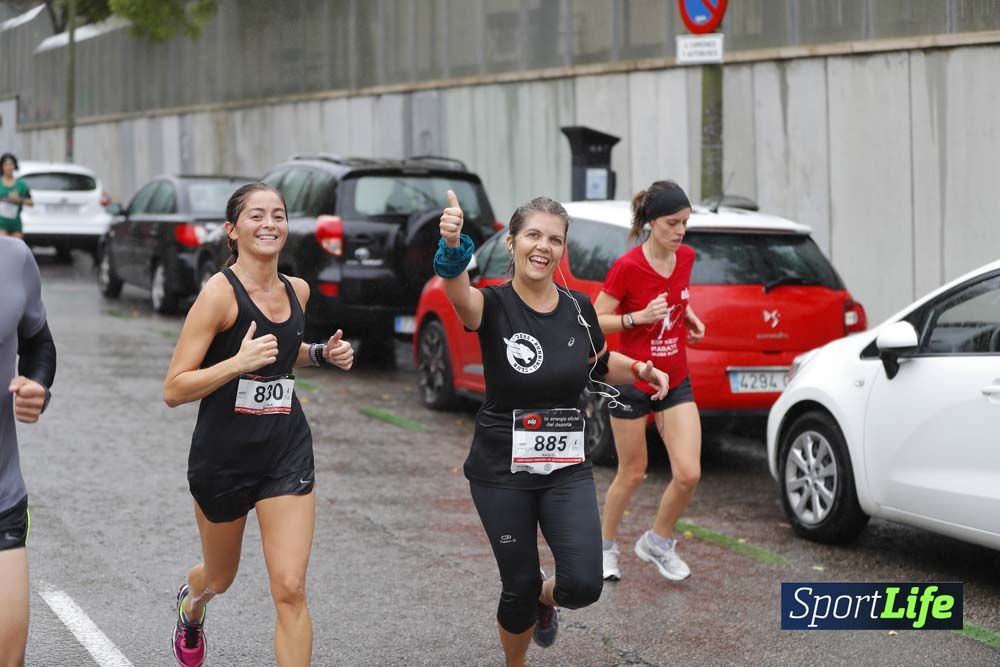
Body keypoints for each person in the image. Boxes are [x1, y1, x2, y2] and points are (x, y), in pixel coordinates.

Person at [436, 191, 670, 667]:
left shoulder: (578, 307)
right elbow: (459, 294)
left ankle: (546, 598)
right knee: (516, 585)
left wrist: (639, 369)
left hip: (565, 467)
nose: (543, 247)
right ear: (512, 242)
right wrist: (453, 246)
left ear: (563, 249)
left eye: (555, 240)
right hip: (501, 471)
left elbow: (598, 364)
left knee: (583, 584)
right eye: (533, 236)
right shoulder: (492, 304)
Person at [162, 183, 354, 667]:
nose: (269, 224)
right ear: (232, 229)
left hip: (284, 452)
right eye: (256, 215)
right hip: (223, 460)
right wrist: (236, 363)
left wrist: (320, 353)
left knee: (290, 588)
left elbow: (282, 352)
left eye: (278, 215)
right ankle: (192, 605)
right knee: (219, 578)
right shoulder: (218, 295)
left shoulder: (297, 290)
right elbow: (175, 388)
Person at [595, 180, 706, 583]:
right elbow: (595, 320)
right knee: (633, 472)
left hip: (675, 379)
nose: (680, 231)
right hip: (633, 379)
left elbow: (677, 296)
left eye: (685, 223)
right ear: (651, 222)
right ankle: (605, 549)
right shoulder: (628, 267)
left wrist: (687, 316)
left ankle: (657, 543)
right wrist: (637, 318)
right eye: (672, 223)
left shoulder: (686, 257)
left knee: (688, 473)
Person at [0, 237, 56, 667]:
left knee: (9, 655)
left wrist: (37, 385)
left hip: (2, 497)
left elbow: (38, 344)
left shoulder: (14, 259)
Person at [0, 154, 32, 240]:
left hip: (16, 224)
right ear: (2, 166)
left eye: (11, 164)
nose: (8, 167)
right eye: (6, 164)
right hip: (1, 223)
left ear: (15, 166)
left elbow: (31, 202)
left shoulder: (21, 184)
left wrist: (19, 199)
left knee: (16, 247)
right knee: (3, 246)